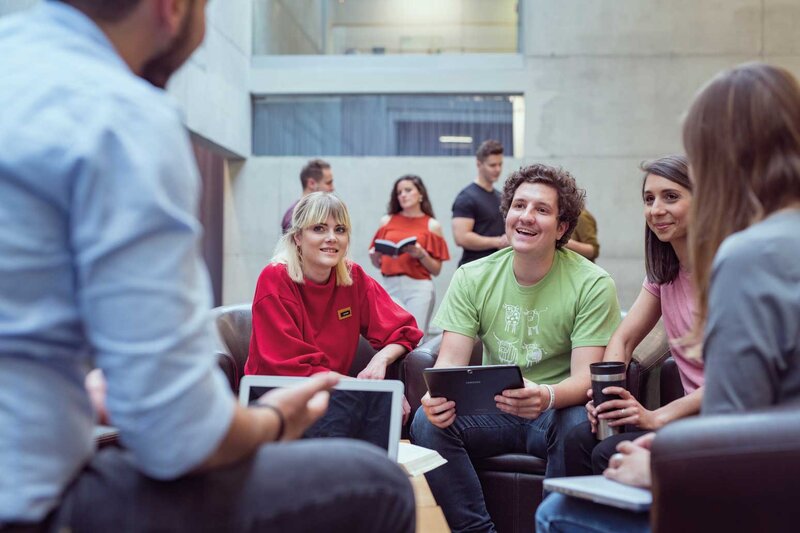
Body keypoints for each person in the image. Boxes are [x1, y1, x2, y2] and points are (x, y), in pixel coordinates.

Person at [0, 2, 415, 531]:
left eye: (339, 230)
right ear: (173, 8)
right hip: (28, 503)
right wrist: (272, 420)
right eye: (320, 229)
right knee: (379, 482)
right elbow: (180, 437)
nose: (331, 239)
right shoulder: (122, 114)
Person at [536, 62, 800, 532]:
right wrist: (614, 392)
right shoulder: (682, 268)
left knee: (557, 513)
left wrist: (661, 463)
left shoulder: (749, 255)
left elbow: (736, 436)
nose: (657, 209)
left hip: (765, 482)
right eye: (649, 198)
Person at [411, 163, 621, 533]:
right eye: (519, 206)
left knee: (578, 427)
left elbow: (582, 379)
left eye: (542, 210)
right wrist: (435, 398)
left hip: (554, 410)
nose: (526, 217)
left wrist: (545, 396)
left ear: (562, 227)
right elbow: (449, 366)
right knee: (426, 423)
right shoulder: (472, 276)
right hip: (491, 410)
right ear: (506, 214)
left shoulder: (592, 283)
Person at [564, 155, 704, 476]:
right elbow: (623, 339)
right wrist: (607, 397)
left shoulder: (726, 270)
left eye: (671, 197)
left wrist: (656, 416)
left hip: (723, 422)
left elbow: (733, 381)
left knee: (608, 454)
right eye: (649, 199)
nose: (656, 210)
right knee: (578, 439)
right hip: (684, 422)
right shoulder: (663, 275)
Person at [369, 174, 451, 337]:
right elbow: (378, 263)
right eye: (399, 192)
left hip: (418, 287)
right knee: (391, 337)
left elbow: (436, 270)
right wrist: (374, 255)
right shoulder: (387, 221)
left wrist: (421, 254)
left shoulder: (432, 225)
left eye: (408, 190)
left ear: (420, 194)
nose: (403, 195)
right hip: (389, 286)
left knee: (415, 337)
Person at [451, 139, 509, 266]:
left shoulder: (500, 196)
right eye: (492, 165)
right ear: (479, 164)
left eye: (500, 164)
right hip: (474, 268)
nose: (497, 169)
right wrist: (498, 242)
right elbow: (461, 237)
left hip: (497, 267)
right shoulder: (466, 197)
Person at [280, 158, 334, 233]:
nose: (332, 188)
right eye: (328, 183)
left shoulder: (320, 211)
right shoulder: (294, 216)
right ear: (311, 183)